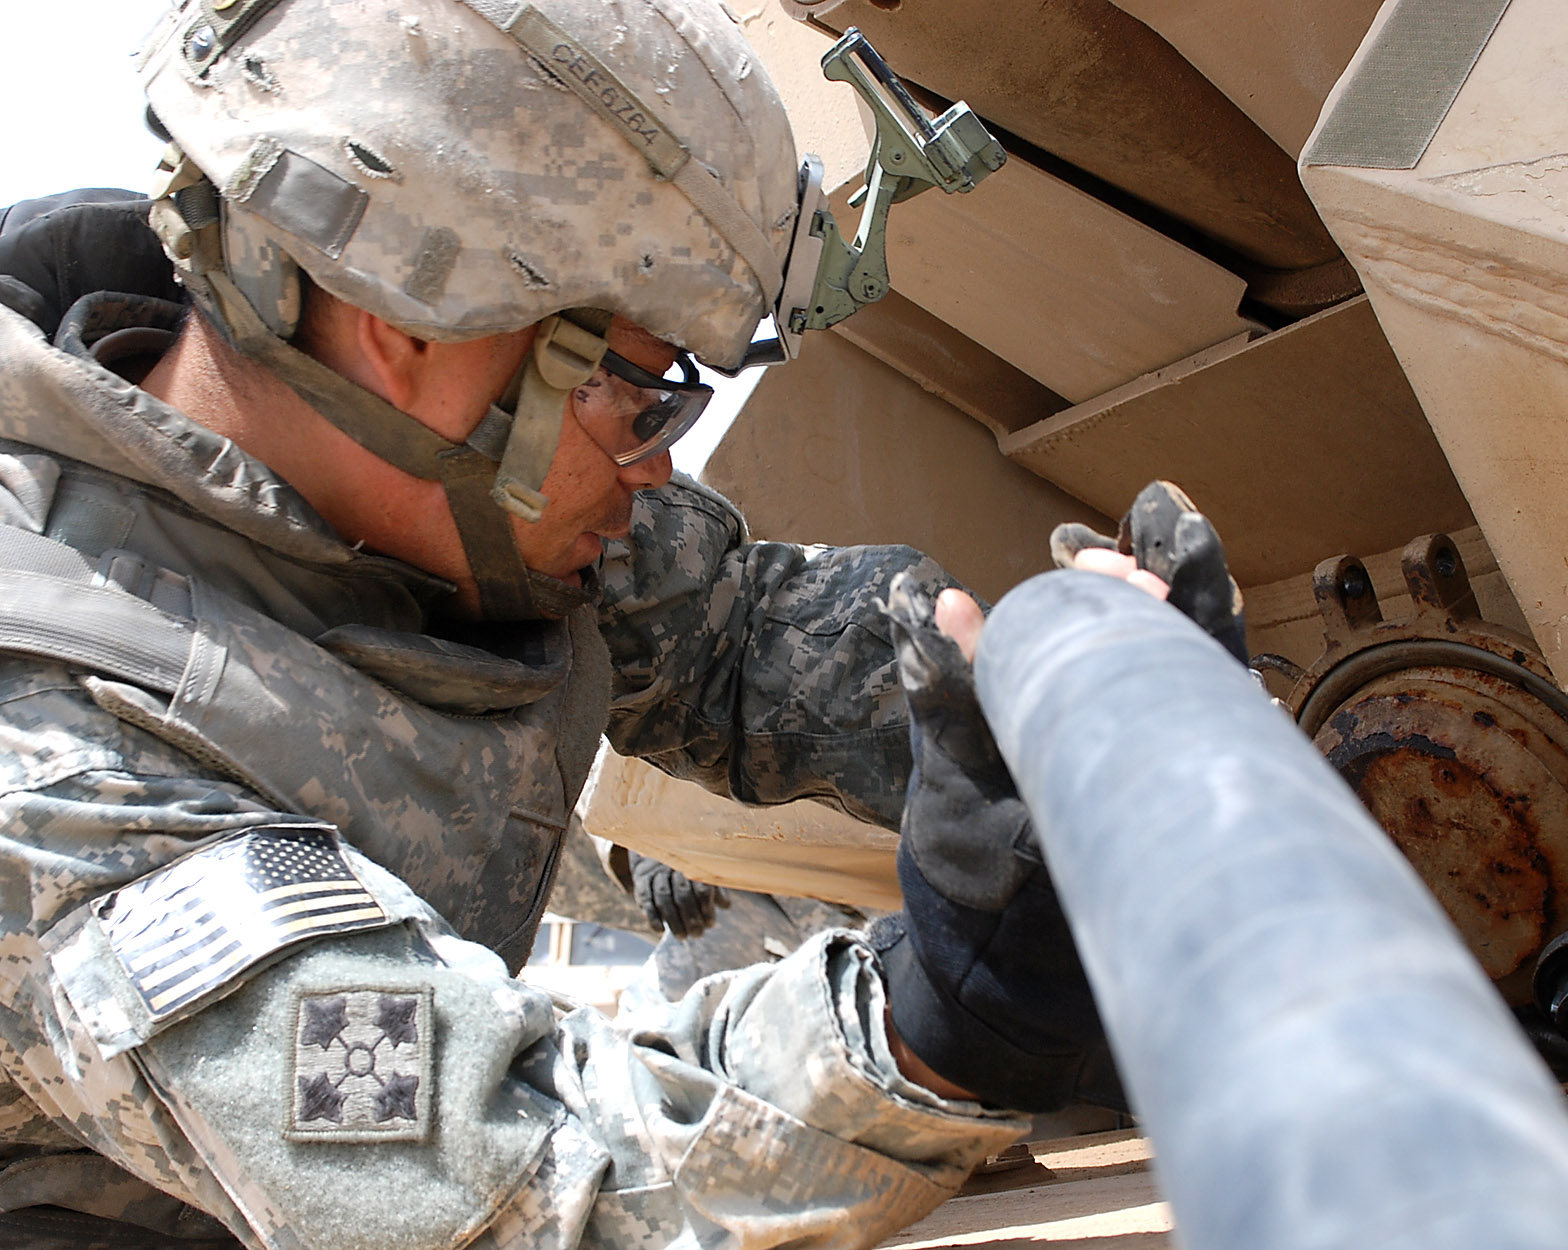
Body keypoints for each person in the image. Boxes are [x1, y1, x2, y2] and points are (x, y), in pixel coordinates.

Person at [0, 0, 1139, 1245]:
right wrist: (932, 1018)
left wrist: (1043, 687)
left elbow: (733, 637)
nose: (657, 468)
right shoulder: (55, 760)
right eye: (642, 399)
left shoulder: (452, 484)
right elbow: (527, 1185)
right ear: (412, 332)